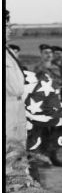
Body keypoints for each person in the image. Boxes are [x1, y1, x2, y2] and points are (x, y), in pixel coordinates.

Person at [33, 44, 62, 166]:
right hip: (43, 105)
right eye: (45, 52)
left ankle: (54, 156)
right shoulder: (37, 69)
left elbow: (59, 86)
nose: (48, 54)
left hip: (55, 103)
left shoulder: (56, 68)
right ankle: (43, 158)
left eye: (50, 52)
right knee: (43, 132)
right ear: (41, 54)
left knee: (56, 131)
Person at [5, 11, 27, 147]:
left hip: (17, 104)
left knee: (19, 146)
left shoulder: (8, 50)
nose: (9, 30)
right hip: (6, 105)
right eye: (6, 26)